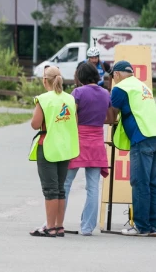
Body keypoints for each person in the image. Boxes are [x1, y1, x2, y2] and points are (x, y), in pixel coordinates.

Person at [29, 65, 79, 237]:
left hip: (48, 146)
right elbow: (74, 121)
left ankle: (49, 227)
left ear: (45, 80)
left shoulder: (43, 99)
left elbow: (35, 124)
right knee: (60, 189)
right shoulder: (70, 99)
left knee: (50, 190)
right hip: (65, 148)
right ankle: (59, 226)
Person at [64, 62, 113, 236]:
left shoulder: (77, 92)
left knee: (66, 183)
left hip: (78, 141)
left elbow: (70, 117)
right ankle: (87, 227)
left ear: (80, 76)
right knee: (93, 187)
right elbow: (111, 118)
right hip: (97, 141)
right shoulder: (105, 93)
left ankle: (57, 222)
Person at [109, 60, 156, 236]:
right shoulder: (143, 87)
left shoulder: (121, 88)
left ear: (118, 74)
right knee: (152, 184)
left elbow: (112, 115)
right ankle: (152, 226)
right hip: (154, 136)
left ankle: (141, 226)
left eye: (113, 75)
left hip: (140, 137)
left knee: (139, 182)